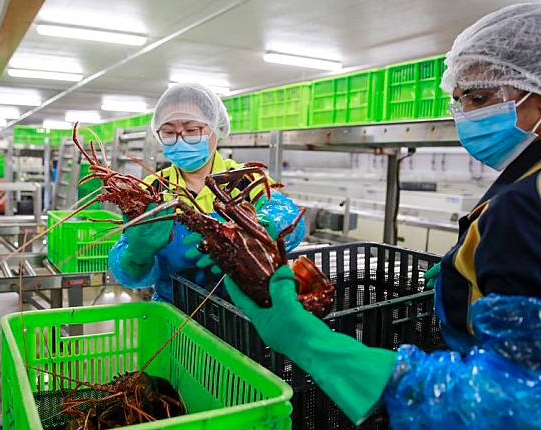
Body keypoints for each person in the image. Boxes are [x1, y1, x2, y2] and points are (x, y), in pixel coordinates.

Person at [224, 4, 540, 429]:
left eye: (480, 98)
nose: (466, 115)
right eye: (459, 102)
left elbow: (509, 406)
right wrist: (461, 271)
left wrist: (308, 339)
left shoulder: (522, 206)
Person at [108, 83, 305, 302]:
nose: (180, 139)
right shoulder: (151, 188)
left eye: (192, 130)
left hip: (245, 308)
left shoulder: (245, 178)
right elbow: (127, 271)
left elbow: (289, 219)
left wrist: (263, 228)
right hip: (174, 311)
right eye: (169, 132)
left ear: (216, 128)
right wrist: (137, 255)